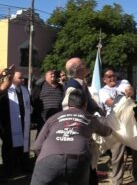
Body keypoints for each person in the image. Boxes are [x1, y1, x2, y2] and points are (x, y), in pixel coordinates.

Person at [30, 89, 112, 185]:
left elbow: (37, 146)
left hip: (49, 161)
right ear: (85, 105)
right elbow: (107, 131)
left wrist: (45, 159)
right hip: (78, 162)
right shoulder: (90, 118)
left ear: (68, 104)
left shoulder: (53, 118)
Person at [64, 57, 105, 185]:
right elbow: (68, 109)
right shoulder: (72, 87)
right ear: (77, 69)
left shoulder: (81, 83)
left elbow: (88, 100)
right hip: (78, 130)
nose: (86, 65)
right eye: (83, 64)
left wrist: (97, 108)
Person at [98, 68, 131, 185]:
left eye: (114, 75)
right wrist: (124, 96)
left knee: (133, 151)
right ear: (104, 79)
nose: (112, 78)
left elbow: (130, 92)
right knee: (117, 154)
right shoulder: (103, 91)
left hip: (128, 122)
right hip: (115, 124)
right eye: (109, 76)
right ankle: (117, 181)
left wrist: (127, 93)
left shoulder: (122, 83)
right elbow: (111, 103)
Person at [0, 71, 32, 178]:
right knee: (9, 149)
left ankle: (25, 167)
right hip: (9, 124)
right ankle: (8, 170)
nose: (23, 80)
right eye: (20, 78)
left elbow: (28, 104)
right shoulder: (6, 90)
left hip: (24, 123)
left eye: (23, 78)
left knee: (24, 147)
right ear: (12, 78)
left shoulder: (24, 90)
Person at [31, 70, 64, 136]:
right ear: (45, 77)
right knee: (42, 133)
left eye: (54, 74)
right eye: (51, 74)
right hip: (44, 115)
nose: (53, 75)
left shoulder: (60, 87)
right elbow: (33, 99)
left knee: (55, 133)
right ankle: (39, 146)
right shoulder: (40, 86)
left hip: (57, 114)